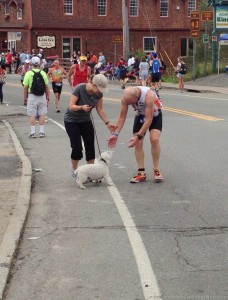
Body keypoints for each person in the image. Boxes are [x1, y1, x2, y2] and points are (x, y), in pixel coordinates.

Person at [107, 86, 163, 183]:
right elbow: (122, 115)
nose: (131, 104)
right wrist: (115, 134)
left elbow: (149, 119)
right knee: (138, 143)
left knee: (154, 139)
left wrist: (138, 136)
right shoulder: (126, 97)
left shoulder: (148, 95)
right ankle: (141, 172)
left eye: (132, 103)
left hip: (154, 115)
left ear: (137, 96)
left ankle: (156, 169)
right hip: (140, 115)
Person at [64, 74, 115, 175]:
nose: (100, 91)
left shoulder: (99, 94)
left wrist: (108, 123)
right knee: (77, 147)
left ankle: (90, 173)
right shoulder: (79, 89)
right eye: (99, 88)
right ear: (93, 84)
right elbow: (71, 106)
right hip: (71, 120)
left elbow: (100, 109)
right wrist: (81, 107)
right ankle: (74, 171)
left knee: (90, 147)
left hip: (86, 120)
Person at [23, 56, 50, 138]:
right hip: (42, 96)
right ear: (39, 64)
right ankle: (41, 132)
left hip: (32, 95)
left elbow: (25, 87)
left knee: (32, 114)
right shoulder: (43, 73)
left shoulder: (28, 73)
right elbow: (47, 86)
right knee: (42, 114)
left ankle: (32, 132)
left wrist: (25, 98)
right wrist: (47, 97)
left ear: (31, 63)